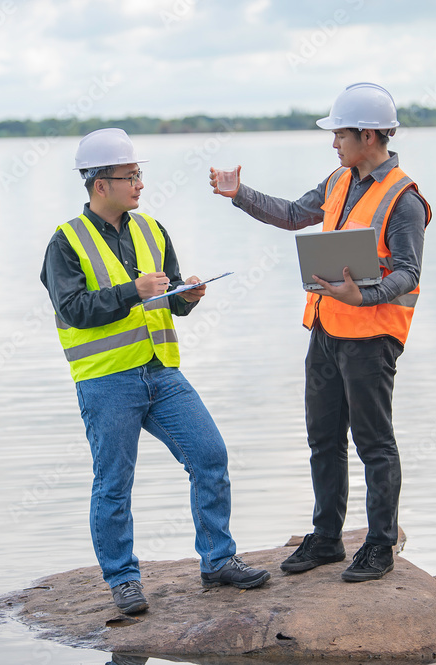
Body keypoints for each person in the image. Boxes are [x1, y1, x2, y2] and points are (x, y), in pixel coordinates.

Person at [41, 128, 270, 614]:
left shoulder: (151, 229)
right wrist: (133, 291)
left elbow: (166, 300)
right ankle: (123, 580)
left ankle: (218, 561)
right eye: (131, 175)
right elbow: (74, 308)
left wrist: (187, 296)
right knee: (113, 483)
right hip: (106, 380)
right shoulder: (65, 241)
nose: (140, 183)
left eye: (140, 173)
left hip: (162, 372)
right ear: (100, 183)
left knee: (210, 455)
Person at [208, 83, 431, 582]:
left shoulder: (405, 200)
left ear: (368, 134)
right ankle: (327, 538)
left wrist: (362, 296)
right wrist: (238, 193)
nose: (333, 143)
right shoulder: (338, 180)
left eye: (340, 135)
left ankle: (378, 545)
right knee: (322, 439)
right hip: (327, 330)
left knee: (374, 443)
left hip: (372, 339)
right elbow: (292, 215)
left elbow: (408, 273)